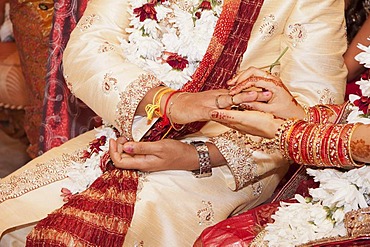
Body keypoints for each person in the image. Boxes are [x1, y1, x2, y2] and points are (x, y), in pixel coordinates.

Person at [0, 0, 347, 246]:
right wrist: (167, 102)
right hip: (127, 132)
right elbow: (87, 50)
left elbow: (313, 112)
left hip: (231, 162)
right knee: (11, 216)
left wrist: (196, 156)